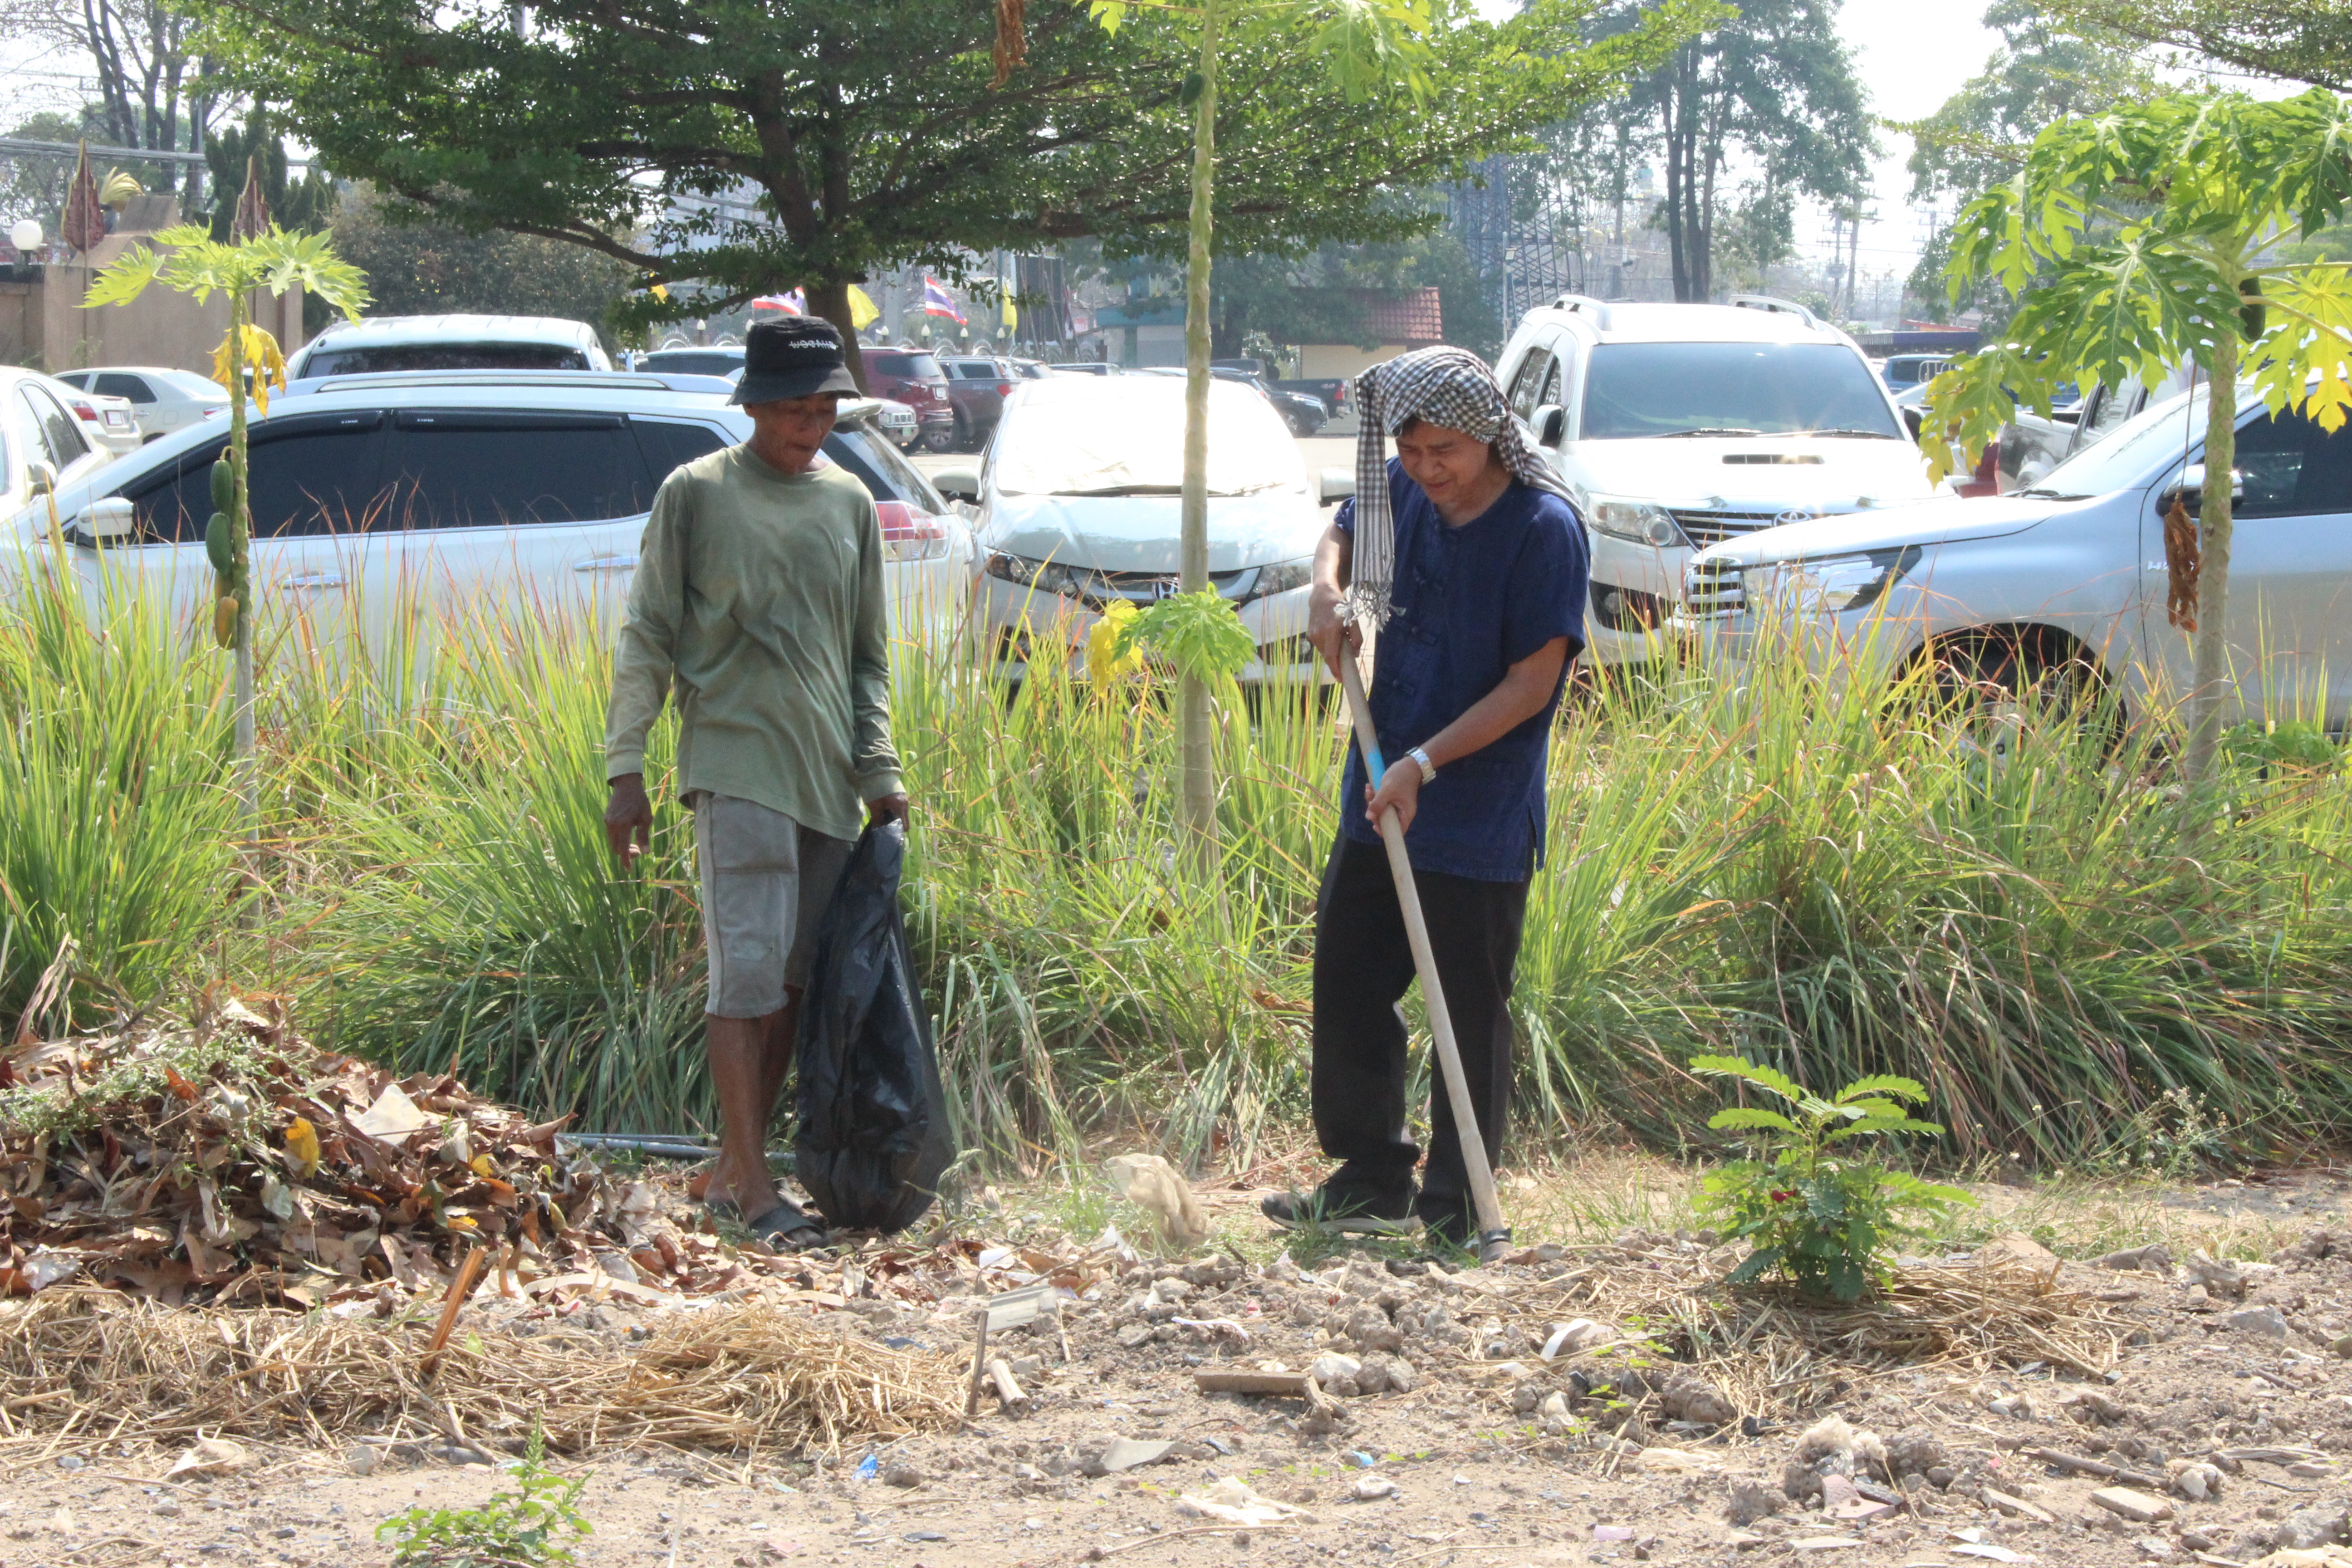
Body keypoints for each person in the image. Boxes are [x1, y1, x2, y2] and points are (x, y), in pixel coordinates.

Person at [1262, 346, 1590, 1250]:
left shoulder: (1542, 528)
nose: (1427, 469)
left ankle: (1457, 1204)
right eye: (1409, 451)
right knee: (1351, 981)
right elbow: (1343, 529)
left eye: (1445, 449)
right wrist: (1328, 595)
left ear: (1491, 435)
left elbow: (1533, 682)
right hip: (1379, 785)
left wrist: (1425, 765)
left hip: (1473, 805)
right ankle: (1372, 1175)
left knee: (1467, 1010)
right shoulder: (1403, 496)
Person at [603, 315, 910, 1250]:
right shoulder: (696, 495)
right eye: (790, 410)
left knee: (784, 982)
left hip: (823, 778)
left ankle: (736, 1167)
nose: (807, 428)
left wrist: (879, 770)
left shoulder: (850, 505)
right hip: (733, 765)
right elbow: (648, 634)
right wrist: (628, 770)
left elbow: (867, 660)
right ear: (753, 406)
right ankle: (751, 1188)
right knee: (743, 978)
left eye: (822, 411)